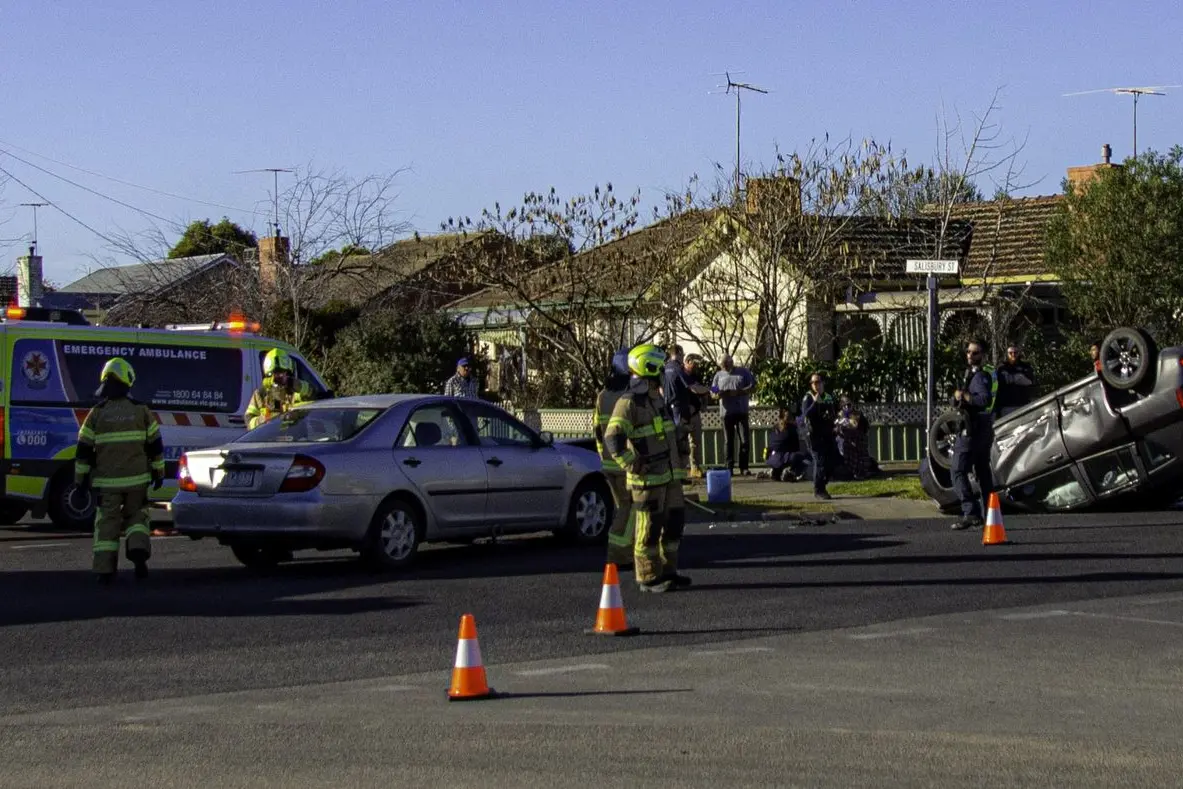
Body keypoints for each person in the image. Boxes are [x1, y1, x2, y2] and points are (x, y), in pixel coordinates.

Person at [604, 343, 688, 593]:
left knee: (674, 523)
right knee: (648, 530)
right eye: (659, 366)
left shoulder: (655, 398)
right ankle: (648, 577)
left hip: (668, 477)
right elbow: (613, 438)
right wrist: (634, 464)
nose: (663, 370)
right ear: (648, 367)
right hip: (647, 481)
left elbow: (666, 433)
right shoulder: (629, 402)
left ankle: (668, 570)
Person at [74, 358, 165, 584]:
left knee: (107, 523)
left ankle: (104, 572)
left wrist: (80, 481)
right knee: (137, 516)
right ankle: (138, 552)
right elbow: (155, 445)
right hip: (137, 480)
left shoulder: (96, 413)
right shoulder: (141, 411)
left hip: (107, 482)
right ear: (127, 381)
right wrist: (158, 473)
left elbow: (83, 449)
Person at [594, 349, 636, 568]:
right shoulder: (628, 396)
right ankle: (619, 553)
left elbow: (597, 432)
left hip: (608, 463)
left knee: (622, 507)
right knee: (628, 509)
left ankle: (622, 551)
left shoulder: (602, 396)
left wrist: (604, 456)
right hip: (625, 464)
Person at [950, 340, 997, 530]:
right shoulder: (971, 374)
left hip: (973, 428)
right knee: (983, 472)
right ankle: (991, 513)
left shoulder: (981, 376)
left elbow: (984, 399)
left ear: (983, 355)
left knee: (958, 470)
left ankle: (971, 512)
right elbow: (957, 401)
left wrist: (965, 397)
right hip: (982, 428)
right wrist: (956, 397)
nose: (970, 355)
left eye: (975, 353)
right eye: (968, 352)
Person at [246, 348, 315, 430]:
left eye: (283, 372)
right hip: (269, 439)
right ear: (269, 375)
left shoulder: (295, 390)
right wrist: (263, 419)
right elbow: (249, 420)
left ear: (288, 372)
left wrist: (299, 386)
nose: (280, 376)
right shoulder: (261, 394)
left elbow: (312, 396)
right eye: (276, 373)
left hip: (296, 439)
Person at [710, 355, 756, 476]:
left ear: (731, 362)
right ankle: (729, 467)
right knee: (728, 441)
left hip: (741, 411)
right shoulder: (718, 375)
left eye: (726, 365)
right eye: (722, 366)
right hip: (726, 413)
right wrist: (718, 395)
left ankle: (744, 467)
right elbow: (712, 392)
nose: (724, 368)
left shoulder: (744, 372)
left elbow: (753, 387)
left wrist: (739, 392)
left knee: (744, 441)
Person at [800, 373, 838, 499]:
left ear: (823, 383)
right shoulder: (809, 397)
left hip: (826, 433)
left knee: (832, 459)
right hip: (813, 435)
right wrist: (815, 403)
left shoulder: (828, 397)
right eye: (813, 383)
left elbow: (832, 413)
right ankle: (819, 490)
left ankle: (823, 481)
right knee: (820, 460)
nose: (816, 385)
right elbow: (806, 414)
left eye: (818, 382)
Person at [681, 354, 711, 479]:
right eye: (694, 363)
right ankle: (682, 470)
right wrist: (708, 389)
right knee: (682, 443)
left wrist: (704, 403)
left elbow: (703, 391)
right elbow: (696, 389)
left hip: (695, 413)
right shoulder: (681, 375)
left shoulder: (696, 375)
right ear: (687, 362)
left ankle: (695, 468)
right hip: (684, 414)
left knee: (696, 443)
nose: (697, 366)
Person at [834, 395, 872, 480]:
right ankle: (851, 472)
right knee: (848, 456)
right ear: (842, 406)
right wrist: (838, 426)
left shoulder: (856, 413)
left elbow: (854, 425)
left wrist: (844, 423)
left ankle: (861, 472)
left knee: (860, 456)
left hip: (859, 437)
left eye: (849, 405)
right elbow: (836, 428)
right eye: (845, 405)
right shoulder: (840, 414)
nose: (847, 407)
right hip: (847, 439)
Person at [766, 407, 808, 481]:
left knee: (785, 455)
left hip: (771, 458)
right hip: (784, 458)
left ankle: (776, 471)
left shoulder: (774, 428)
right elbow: (796, 447)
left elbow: (771, 444)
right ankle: (791, 471)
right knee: (802, 457)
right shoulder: (791, 429)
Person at [996, 345, 1036, 416]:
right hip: (1007, 406)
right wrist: (1018, 378)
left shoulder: (1025, 366)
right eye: (1010, 353)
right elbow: (999, 383)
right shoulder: (1001, 368)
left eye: (1015, 352)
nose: (1013, 355)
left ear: (1018, 353)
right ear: (1007, 354)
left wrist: (1010, 379)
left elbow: (1029, 382)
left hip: (1022, 404)